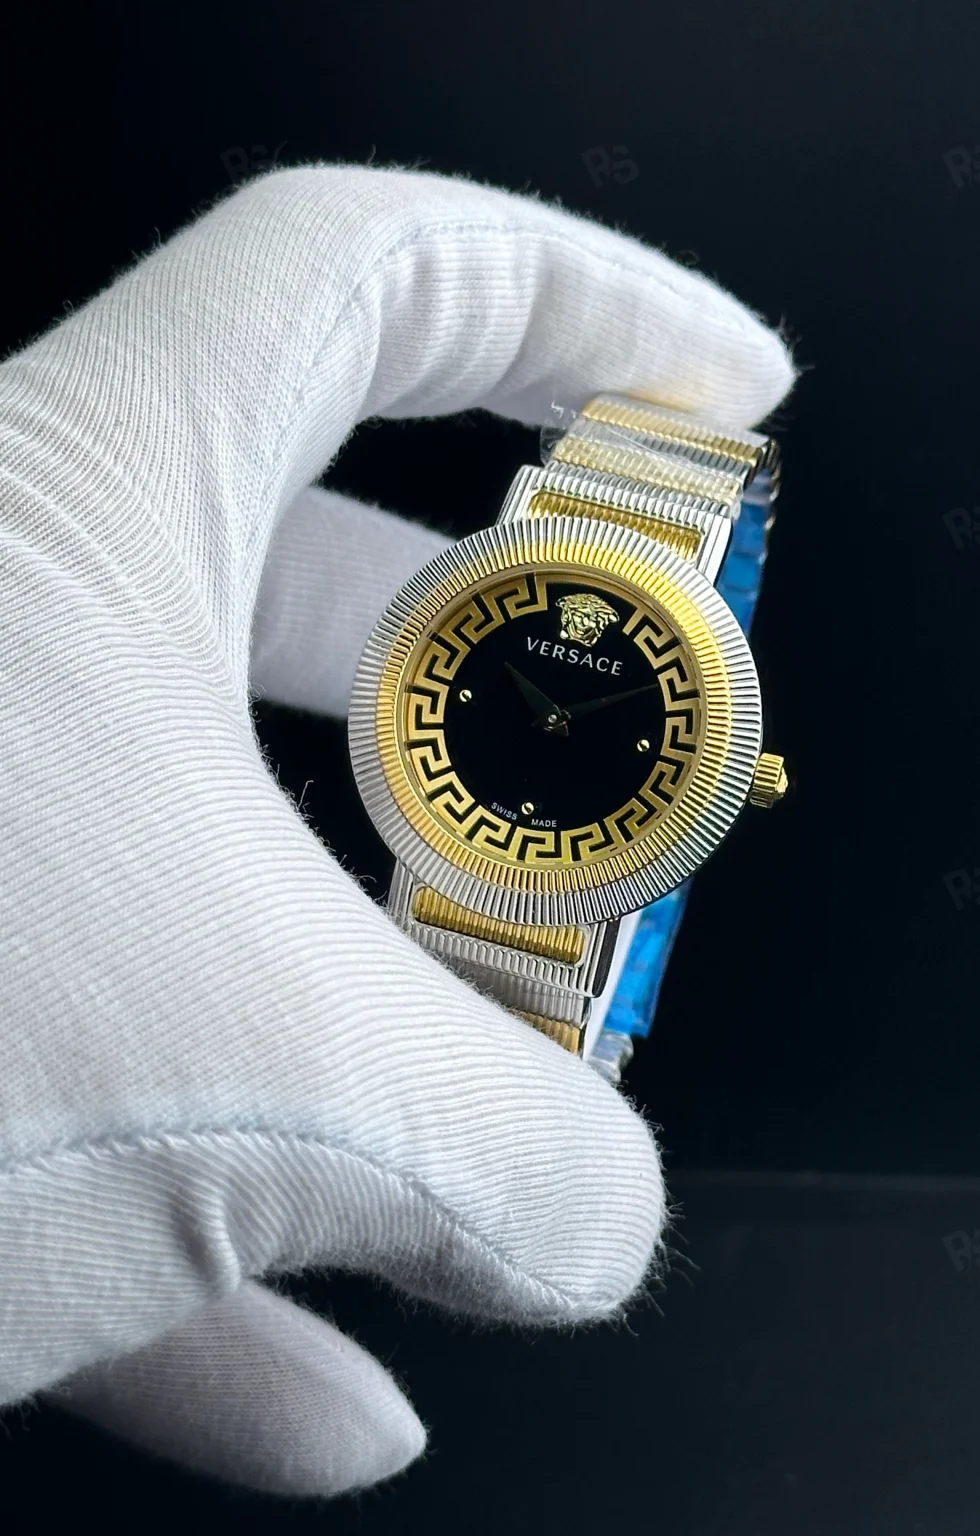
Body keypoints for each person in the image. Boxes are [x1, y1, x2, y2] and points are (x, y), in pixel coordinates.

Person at [0, 164, 795, 1497]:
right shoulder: (480, 618)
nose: (556, 722)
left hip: (531, 885)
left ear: (728, 775)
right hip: (476, 840)